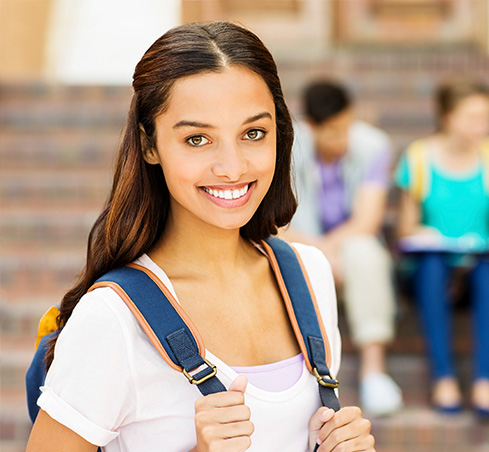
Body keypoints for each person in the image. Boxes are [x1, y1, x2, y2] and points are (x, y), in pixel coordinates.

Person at [26, 22, 375, 451]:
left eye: (253, 133)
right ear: (150, 145)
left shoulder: (309, 276)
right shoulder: (113, 318)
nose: (232, 167)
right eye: (197, 139)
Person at [282, 81, 402, 417]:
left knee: (366, 254)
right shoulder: (290, 146)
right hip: (302, 239)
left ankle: (374, 370)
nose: (343, 138)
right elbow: (280, 223)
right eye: (334, 131)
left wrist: (329, 251)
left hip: (351, 244)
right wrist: (320, 253)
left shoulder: (373, 145)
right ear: (311, 126)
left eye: (347, 126)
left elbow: (368, 220)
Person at [394, 79, 489, 416]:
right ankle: (443, 377)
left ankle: (484, 381)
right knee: (433, 265)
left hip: (478, 266)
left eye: (485, 117)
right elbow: (405, 228)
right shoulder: (419, 158)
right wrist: (429, 235)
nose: (482, 125)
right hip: (429, 268)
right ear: (447, 118)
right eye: (472, 117)